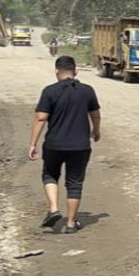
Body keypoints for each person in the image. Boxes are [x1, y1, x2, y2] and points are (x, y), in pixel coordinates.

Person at [28, 55, 101, 233]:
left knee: (50, 175)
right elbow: (95, 113)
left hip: (54, 144)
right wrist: (96, 130)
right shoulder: (87, 90)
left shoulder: (49, 91)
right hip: (80, 146)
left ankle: (53, 209)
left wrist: (32, 144)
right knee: (74, 183)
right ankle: (70, 223)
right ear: (75, 71)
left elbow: (41, 118)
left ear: (56, 72)